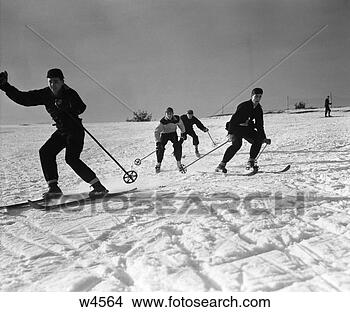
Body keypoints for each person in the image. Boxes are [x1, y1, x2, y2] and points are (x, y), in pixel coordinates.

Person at [0, 69, 108, 198]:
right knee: (45, 152)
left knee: (71, 159)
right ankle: (54, 188)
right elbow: (25, 99)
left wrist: (67, 107)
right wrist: (5, 86)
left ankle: (99, 188)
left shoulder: (69, 93)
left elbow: (81, 107)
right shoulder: (46, 94)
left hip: (75, 130)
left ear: (62, 81)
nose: (53, 85)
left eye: (56, 81)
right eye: (50, 81)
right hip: (62, 131)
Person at [216, 87, 271, 173]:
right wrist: (230, 133)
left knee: (258, 139)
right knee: (237, 144)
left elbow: (259, 125)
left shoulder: (258, 109)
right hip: (235, 128)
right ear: (252, 96)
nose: (258, 99)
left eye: (260, 97)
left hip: (246, 129)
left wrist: (263, 137)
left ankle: (251, 162)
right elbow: (233, 119)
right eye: (256, 96)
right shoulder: (244, 105)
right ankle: (221, 165)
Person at [154, 107, 187, 173]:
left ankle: (179, 163)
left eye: (171, 114)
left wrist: (183, 133)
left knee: (178, 145)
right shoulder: (163, 121)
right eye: (168, 114)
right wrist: (158, 142)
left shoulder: (177, 119)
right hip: (164, 134)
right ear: (165, 114)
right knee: (160, 148)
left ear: (173, 114)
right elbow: (157, 132)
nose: (169, 115)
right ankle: (158, 164)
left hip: (173, 134)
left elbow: (181, 126)